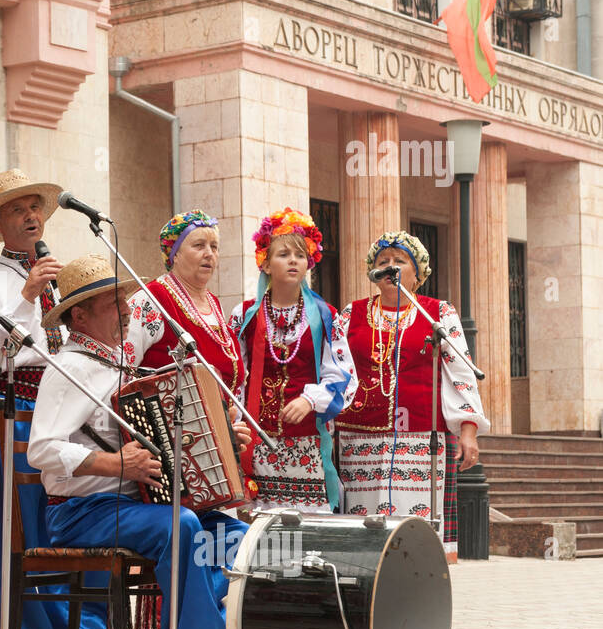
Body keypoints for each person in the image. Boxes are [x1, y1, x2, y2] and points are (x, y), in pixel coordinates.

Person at [27, 256, 250, 629]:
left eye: (125, 298)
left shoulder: (123, 368)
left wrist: (222, 435)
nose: (127, 307)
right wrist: (114, 463)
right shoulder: (68, 368)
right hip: (79, 512)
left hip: (131, 506)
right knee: (181, 524)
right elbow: (41, 450)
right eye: (113, 301)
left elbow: (163, 443)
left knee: (236, 535)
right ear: (80, 314)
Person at [0, 169, 121, 629]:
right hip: (10, 404)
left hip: (69, 409)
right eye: (18, 209)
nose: (31, 216)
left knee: (74, 511)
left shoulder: (62, 275)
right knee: (16, 522)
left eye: (36, 207)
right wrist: (26, 297)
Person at [335, 232, 489, 556]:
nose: (391, 267)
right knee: (365, 535)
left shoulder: (438, 314)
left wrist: (468, 430)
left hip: (421, 441)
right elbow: (335, 370)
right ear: (372, 273)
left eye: (400, 261)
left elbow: (460, 371)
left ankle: (419, 590)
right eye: (383, 262)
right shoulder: (351, 314)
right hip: (360, 441)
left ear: (417, 273)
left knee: (417, 538)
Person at [228, 209, 357, 513]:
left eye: (300, 255)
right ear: (266, 263)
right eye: (283, 254)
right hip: (256, 446)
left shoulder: (326, 315)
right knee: (259, 529)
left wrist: (311, 401)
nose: (293, 261)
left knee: (306, 529)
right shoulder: (244, 315)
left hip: (306, 447)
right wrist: (235, 423)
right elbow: (234, 377)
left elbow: (342, 374)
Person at [129, 210, 246, 396]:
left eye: (214, 247)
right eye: (199, 246)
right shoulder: (152, 298)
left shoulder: (214, 303)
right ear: (175, 254)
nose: (209, 254)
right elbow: (123, 371)